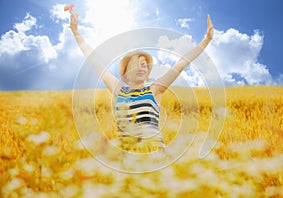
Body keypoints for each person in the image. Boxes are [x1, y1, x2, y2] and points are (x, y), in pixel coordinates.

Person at [69, 9, 214, 153]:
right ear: (125, 71)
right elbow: (95, 62)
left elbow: (181, 63)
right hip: (128, 160)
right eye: (136, 65)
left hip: (156, 155)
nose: (141, 68)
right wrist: (76, 33)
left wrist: (206, 40)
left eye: (144, 65)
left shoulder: (155, 90)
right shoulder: (118, 90)